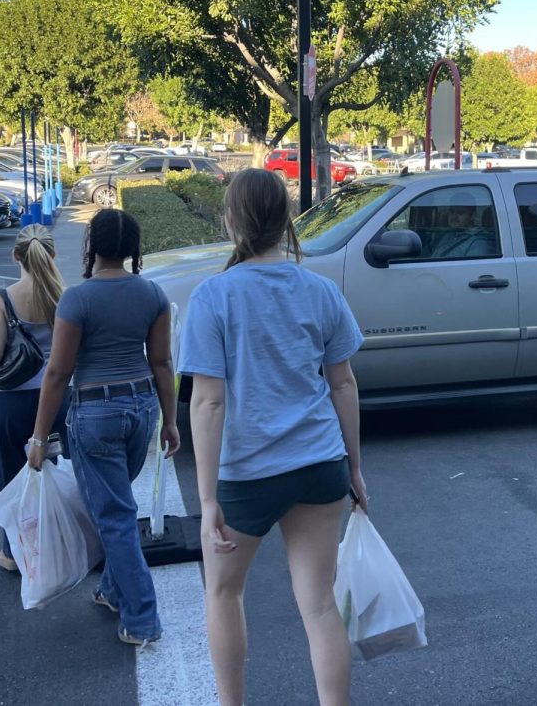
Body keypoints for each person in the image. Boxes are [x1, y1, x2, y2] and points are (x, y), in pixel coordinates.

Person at [179, 168, 367, 706]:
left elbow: (208, 401)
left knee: (223, 591)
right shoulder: (320, 289)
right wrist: (353, 469)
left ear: (232, 219)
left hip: (246, 474)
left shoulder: (213, 296)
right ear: (288, 221)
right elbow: (344, 384)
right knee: (320, 605)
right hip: (318, 462)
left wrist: (208, 496)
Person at [27, 208, 179, 647]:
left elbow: (58, 373)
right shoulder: (152, 294)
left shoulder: (78, 299)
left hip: (96, 413)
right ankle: (113, 590)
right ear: (134, 249)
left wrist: (39, 438)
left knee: (113, 515)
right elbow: (162, 362)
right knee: (116, 505)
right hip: (142, 408)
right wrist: (170, 421)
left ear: (91, 248)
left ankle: (143, 619)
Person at [0, 224, 69, 573]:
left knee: (11, 476)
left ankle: (14, 552)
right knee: (48, 469)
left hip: (12, 403)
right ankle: (54, 541)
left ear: (15, 256)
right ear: (52, 255)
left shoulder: (1, 299)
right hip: (56, 399)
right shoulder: (64, 296)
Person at [429, 190, 496, 258]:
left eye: (460, 212)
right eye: (452, 211)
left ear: (472, 216)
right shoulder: (447, 235)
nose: (454, 216)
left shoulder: (478, 243)